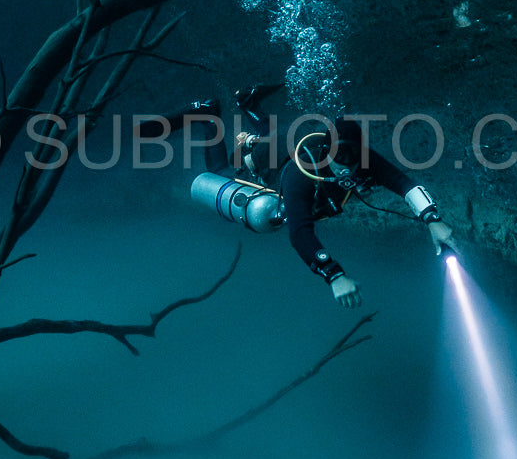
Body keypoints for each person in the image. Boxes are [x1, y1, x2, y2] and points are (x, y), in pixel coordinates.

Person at [138, 85, 454, 308]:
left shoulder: (361, 157)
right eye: (340, 161)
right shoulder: (301, 175)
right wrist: (335, 275)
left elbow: (402, 182)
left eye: (353, 160)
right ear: (326, 154)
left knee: (272, 136)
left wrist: (433, 221)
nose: (348, 170)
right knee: (218, 169)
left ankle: (249, 104)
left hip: (283, 139)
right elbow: (299, 232)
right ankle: (207, 116)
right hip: (266, 159)